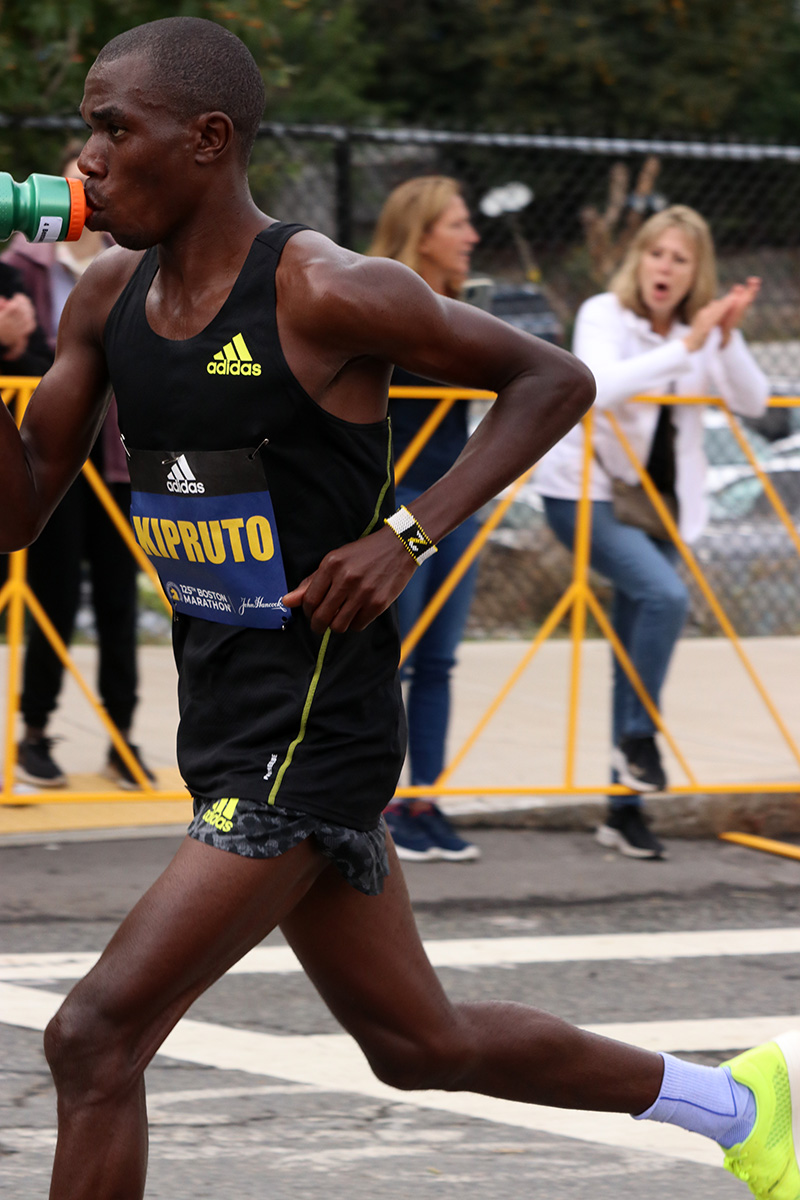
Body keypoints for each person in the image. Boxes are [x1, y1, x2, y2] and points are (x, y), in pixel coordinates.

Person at [0, 20, 793, 1200]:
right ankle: (737, 1105)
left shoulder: (323, 288)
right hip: (227, 711)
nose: (88, 160)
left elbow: (550, 379)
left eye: (114, 129)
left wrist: (407, 535)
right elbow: (18, 512)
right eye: (86, 131)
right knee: (418, 1045)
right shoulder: (108, 296)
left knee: (93, 1037)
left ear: (207, 139)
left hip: (313, 727)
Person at [535, 205, 768, 860]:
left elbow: (752, 401)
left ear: (698, 273)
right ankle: (639, 742)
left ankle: (624, 809)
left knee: (635, 652)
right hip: (586, 491)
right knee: (664, 596)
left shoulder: (699, 331)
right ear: (639, 259)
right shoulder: (604, 314)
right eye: (657, 254)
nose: (666, 268)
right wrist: (686, 349)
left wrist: (726, 338)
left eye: (681, 259)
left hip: (662, 504)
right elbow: (599, 386)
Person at [3, 143, 153, 789]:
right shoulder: (19, 264)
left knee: (120, 600)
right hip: (51, 448)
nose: (86, 191)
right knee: (52, 597)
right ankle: (36, 731)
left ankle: (122, 736)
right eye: (75, 179)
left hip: (119, 456)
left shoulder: (137, 263)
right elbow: (44, 358)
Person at [369, 176, 481, 863]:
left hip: (456, 501)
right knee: (394, 655)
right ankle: (379, 803)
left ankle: (426, 800)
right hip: (404, 502)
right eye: (458, 224)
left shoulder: (463, 308)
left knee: (439, 659)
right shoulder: (385, 302)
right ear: (423, 232)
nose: (472, 236)